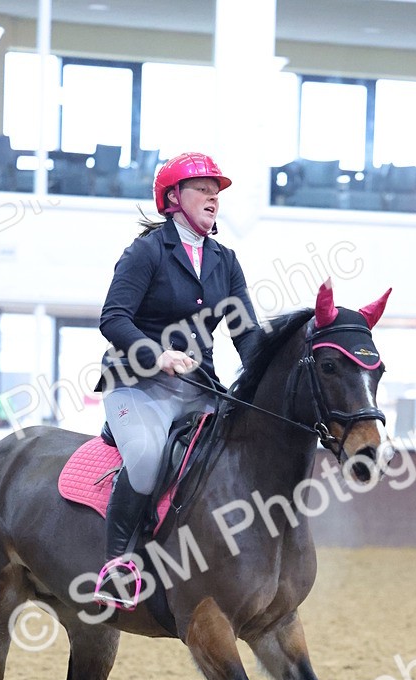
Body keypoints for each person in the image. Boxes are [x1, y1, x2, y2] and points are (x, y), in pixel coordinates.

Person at [94, 151, 260, 609]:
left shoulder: (225, 261)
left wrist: (268, 374)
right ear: (173, 198)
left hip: (199, 388)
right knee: (147, 457)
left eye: (216, 191)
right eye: (202, 189)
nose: (213, 197)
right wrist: (157, 354)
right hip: (137, 383)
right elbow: (113, 318)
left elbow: (246, 333)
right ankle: (117, 565)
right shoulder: (147, 251)